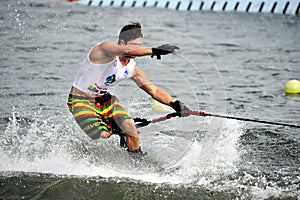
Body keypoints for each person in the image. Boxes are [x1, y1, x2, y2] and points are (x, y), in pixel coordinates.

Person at [67, 22, 190, 155]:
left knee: (130, 127)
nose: (138, 49)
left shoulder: (132, 68)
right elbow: (126, 51)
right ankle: (119, 130)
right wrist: (154, 50)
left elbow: (153, 90)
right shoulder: (103, 50)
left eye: (139, 46)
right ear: (122, 42)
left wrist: (175, 104)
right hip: (80, 100)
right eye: (134, 45)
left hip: (105, 100)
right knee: (104, 134)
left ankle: (137, 162)